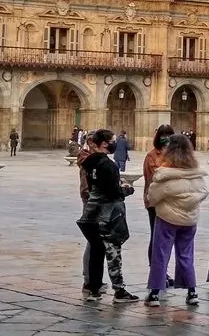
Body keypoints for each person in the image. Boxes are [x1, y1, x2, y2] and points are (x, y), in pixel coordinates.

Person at [144, 134, 209, 308]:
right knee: (186, 255)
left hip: (167, 218)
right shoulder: (197, 174)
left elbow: (152, 198)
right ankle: (192, 292)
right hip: (190, 220)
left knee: (161, 255)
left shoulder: (164, 176)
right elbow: (203, 192)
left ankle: (155, 293)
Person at [78, 129, 140, 304]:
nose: (114, 143)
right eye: (112, 140)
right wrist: (127, 189)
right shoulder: (108, 165)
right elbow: (113, 192)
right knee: (113, 252)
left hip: (92, 212)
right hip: (108, 214)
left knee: (96, 251)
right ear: (104, 143)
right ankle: (119, 291)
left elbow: (93, 187)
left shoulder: (89, 163)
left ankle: (94, 289)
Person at [143, 124, 175, 290]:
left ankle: (164, 272)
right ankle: (156, 273)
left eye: (170, 135)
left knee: (166, 239)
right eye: (164, 135)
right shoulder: (151, 156)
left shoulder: (174, 155)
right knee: (156, 237)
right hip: (155, 203)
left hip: (171, 202)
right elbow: (156, 178)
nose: (167, 138)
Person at [77, 130, 107, 296]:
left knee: (95, 242)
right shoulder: (89, 160)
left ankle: (92, 279)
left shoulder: (93, 159)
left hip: (93, 201)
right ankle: (89, 280)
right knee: (93, 242)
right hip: (92, 203)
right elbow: (87, 186)